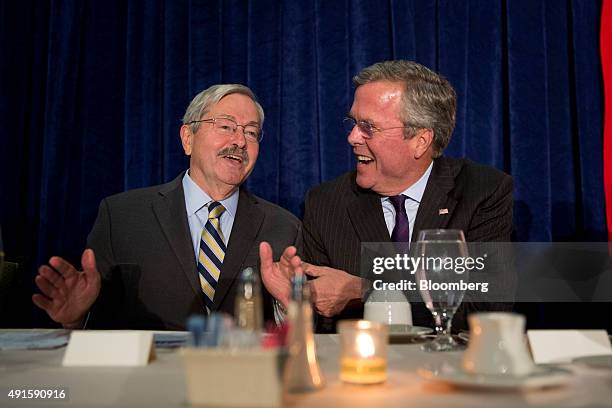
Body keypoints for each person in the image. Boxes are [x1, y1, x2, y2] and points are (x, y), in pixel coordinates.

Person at [33, 84, 303, 330]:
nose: (240, 141)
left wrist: (288, 305)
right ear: (188, 138)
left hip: (242, 378)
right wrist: (75, 318)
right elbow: (98, 319)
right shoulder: (122, 216)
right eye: (226, 126)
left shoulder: (283, 227)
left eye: (251, 132)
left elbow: (295, 331)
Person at [299, 60, 513, 332]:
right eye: (353, 123)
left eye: (368, 127)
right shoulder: (326, 203)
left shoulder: (480, 191)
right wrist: (290, 297)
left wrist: (366, 290)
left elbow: (486, 310)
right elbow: (320, 320)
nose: (352, 137)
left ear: (420, 141)